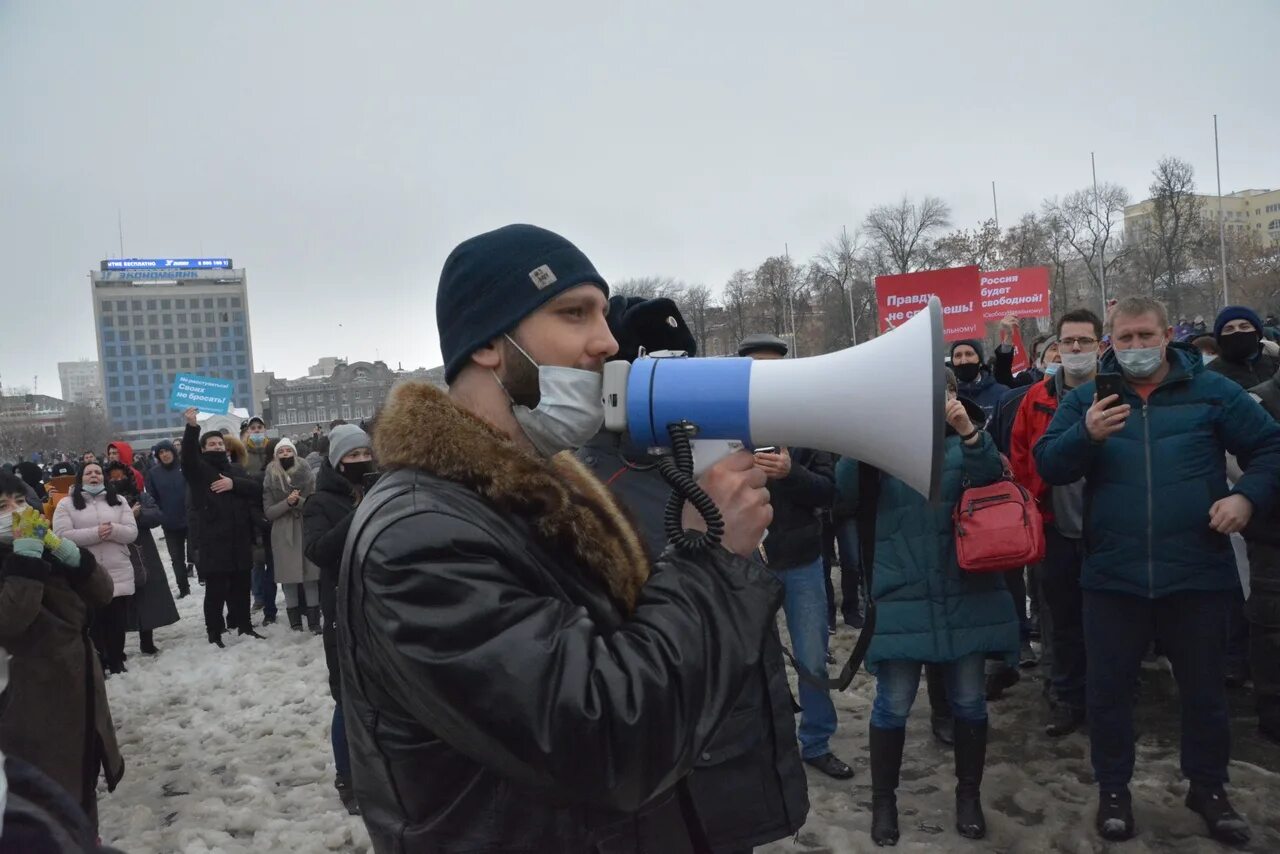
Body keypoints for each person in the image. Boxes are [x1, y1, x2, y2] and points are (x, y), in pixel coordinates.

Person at [338, 224, 782, 853]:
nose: (607, 341)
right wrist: (710, 561)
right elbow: (607, 739)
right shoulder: (419, 538)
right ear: (492, 344)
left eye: (604, 314)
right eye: (574, 315)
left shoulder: (532, 497)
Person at [1034, 296, 1280, 845]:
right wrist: (1086, 434)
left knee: (1204, 692)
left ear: (1166, 335)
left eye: (1146, 336)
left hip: (1197, 571)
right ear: (1110, 344)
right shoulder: (1087, 399)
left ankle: (1209, 788)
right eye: (1126, 339)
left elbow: (1270, 447)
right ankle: (1114, 790)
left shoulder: (1212, 391)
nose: (1137, 348)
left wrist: (1248, 499)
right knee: (1109, 692)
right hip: (1113, 575)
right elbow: (1048, 463)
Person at [578, 298, 808, 852]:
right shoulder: (589, 487)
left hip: (737, 731)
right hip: (674, 757)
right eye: (665, 368)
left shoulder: (713, 459)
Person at [835, 369, 1018, 846]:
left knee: (968, 702)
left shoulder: (971, 440)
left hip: (967, 592)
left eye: (946, 391)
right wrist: (863, 436)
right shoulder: (883, 449)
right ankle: (884, 802)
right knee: (892, 705)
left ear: (957, 396)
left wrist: (969, 434)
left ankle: (968, 797)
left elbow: (995, 481)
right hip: (902, 593)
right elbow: (845, 494)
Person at [737, 332, 853, 780]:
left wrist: (791, 473)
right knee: (750, 659)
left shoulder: (808, 424)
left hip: (802, 560)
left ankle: (817, 741)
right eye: (756, 367)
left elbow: (829, 492)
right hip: (748, 560)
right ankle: (762, 741)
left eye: (774, 366)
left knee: (811, 655)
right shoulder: (727, 422)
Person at [0, 471, 124, 832]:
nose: (15, 512)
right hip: (28, 704)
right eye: (2, 506)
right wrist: (24, 561)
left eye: (20, 502)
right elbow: (11, 619)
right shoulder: (21, 553)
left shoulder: (43, 546)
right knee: (46, 801)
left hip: (78, 689)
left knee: (81, 785)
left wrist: (67, 553)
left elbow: (103, 594)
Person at [1010, 308, 1103, 737]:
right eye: (1069, 342)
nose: (1077, 349)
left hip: (1110, 528)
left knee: (1109, 621)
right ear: (1058, 348)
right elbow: (1021, 457)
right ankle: (1065, 697)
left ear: (1100, 346)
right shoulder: (1036, 399)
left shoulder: (1118, 393)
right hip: (1054, 525)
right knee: (1060, 619)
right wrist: (1039, 490)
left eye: (1085, 341)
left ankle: (1109, 696)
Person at [303, 423, 374, 816]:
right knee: (348, 696)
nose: (361, 462)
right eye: (352, 457)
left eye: (365, 454)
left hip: (380, 605)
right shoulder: (320, 502)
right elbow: (319, 551)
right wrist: (361, 513)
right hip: (342, 610)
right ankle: (347, 778)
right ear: (337, 461)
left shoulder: (382, 487)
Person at [180, 407, 265, 647]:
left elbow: (255, 488)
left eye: (220, 443)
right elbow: (187, 456)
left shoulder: (235, 470)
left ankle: (245, 627)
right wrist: (191, 426)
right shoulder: (198, 470)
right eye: (212, 443)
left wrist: (233, 484)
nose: (217, 446)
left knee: (241, 587)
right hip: (214, 541)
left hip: (239, 539)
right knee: (216, 591)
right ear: (203, 448)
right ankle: (214, 632)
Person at [52, 462, 138, 674]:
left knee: (117, 620)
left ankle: (117, 660)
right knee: (94, 621)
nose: (94, 476)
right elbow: (62, 536)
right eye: (89, 473)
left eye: (98, 472)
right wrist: (95, 533)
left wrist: (113, 529)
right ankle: (99, 661)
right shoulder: (66, 504)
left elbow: (131, 532)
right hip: (86, 573)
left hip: (117, 568)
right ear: (81, 478)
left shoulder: (118, 500)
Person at [105, 461, 179, 656]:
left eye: (120, 476)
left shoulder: (141, 496)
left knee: (146, 595)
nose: (116, 480)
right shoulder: (103, 501)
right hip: (115, 550)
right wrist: (130, 515)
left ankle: (147, 641)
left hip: (143, 548)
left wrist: (138, 516)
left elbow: (156, 515)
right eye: (112, 477)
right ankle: (117, 648)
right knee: (120, 599)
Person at [1245, 368, 1280, 743]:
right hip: (1272, 530)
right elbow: (1247, 462)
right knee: (1271, 624)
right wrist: (1250, 496)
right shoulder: (1260, 398)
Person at [263, 438, 321, 633]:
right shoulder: (270, 477)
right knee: (288, 580)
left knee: (311, 576)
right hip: (283, 532)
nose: (285, 454)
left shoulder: (307, 475)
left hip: (306, 528)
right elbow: (269, 511)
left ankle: (314, 622)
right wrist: (287, 503)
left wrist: (298, 502)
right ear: (276, 455)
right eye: (281, 451)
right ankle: (295, 623)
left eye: (289, 450)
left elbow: (314, 504)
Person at [145, 439, 192, 598]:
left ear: (173, 451)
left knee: (197, 553)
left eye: (167, 451)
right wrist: (161, 514)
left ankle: (204, 579)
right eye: (161, 453)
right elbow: (152, 497)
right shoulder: (154, 473)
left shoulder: (185, 467)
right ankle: (184, 589)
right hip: (170, 522)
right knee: (176, 559)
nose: (164, 454)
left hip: (190, 519)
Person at [1206, 305, 1280, 389]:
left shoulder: (1275, 366)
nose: (1237, 331)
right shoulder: (1210, 375)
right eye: (1229, 329)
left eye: (1244, 327)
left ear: (1257, 334)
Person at [949, 340, 1009, 422]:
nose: (963, 360)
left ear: (980, 360)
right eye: (958, 355)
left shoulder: (1002, 393)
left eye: (969, 354)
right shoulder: (946, 396)